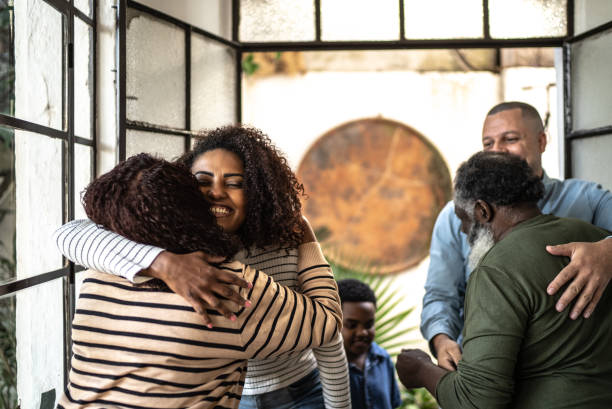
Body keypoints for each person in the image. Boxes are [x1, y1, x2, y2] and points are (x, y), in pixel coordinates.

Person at [54, 125, 350, 409]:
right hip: (230, 394)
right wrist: (163, 263)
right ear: (184, 189)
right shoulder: (160, 250)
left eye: (235, 183)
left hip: (296, 388)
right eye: (202, 182)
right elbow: (68, 233)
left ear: (259, 191)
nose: (216, 192)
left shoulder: (283, 242)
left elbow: (327, 338)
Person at [397, 151, 612, 409]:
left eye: (462, 218)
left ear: (482, 210)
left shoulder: (496, 271)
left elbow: (477, 401)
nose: (464, 231)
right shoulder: (598, 241)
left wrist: (421, 369)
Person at [421, 101, 612, 370]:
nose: (498, 151)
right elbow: (441, 294)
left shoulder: (587, 200)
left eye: (510, 139)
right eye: (488, 144)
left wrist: (608, 251)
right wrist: (442, 340)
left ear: (542, 141)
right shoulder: (456, 216)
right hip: (483, 369)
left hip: (569, 371)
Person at [337, 279, 402, 409]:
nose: (362, 332)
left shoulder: (382, 359)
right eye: (352, 325)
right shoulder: (320, 367)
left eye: (369, 324)